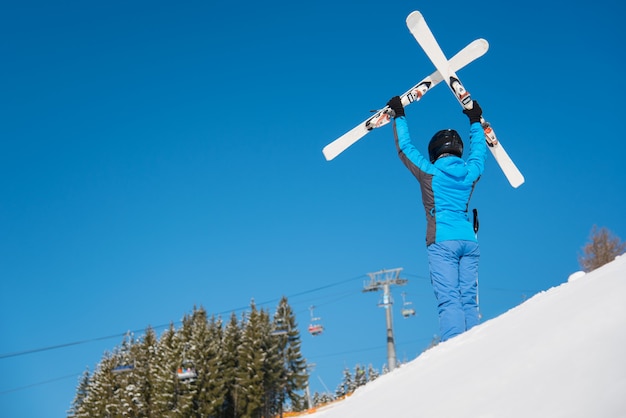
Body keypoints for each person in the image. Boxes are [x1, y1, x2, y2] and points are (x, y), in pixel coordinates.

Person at [386, 95, 487, 342]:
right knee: (468, 298)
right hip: (469, 241)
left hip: (442, 243)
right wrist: (475, 120)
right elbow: (479, 155)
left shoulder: (430, 173)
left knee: (449, 298)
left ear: (435, 152)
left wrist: (399, 115)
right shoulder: (469, 174)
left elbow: (405, 150)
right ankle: (476, 342)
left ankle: (454, 346)